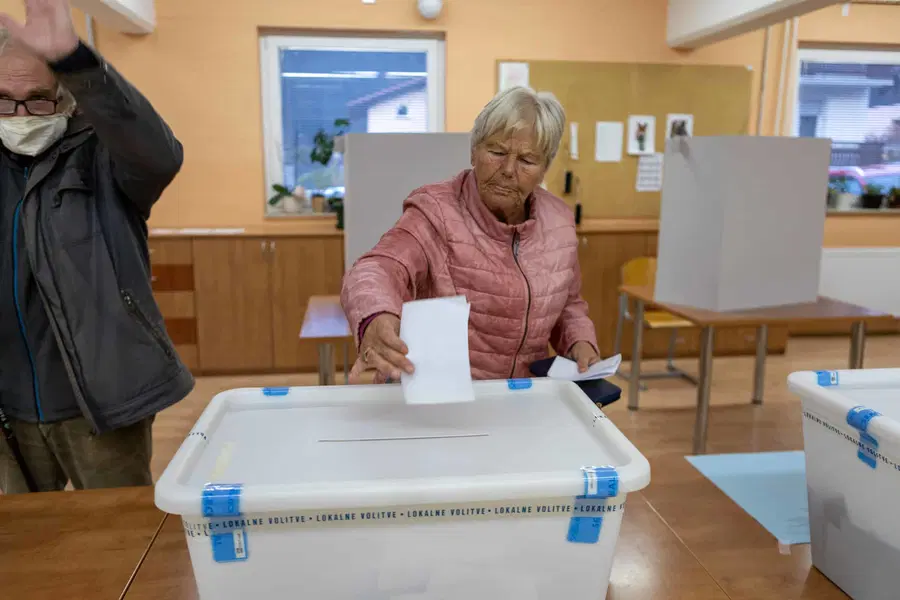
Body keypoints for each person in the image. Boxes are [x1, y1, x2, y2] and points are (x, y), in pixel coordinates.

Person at [0, 0, 192, 494]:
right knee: (22, 555)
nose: (20, 114)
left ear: (67, 101)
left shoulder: (102, 158)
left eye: (38, 100)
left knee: (119, 544)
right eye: (4, 100)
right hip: (9, 410)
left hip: (101, 405)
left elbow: (160, 155)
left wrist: (75, 60)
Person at [342, 86, 599, 383]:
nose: (507, 170)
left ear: (544, 169)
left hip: (523, 399)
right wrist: (375, 316)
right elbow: (377, 268)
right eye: (496, 152)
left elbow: (568, 304)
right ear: (474, 151)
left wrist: (580, 342)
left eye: (527, 160)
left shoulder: (560, 223)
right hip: (441, 397)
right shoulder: (435, 211)